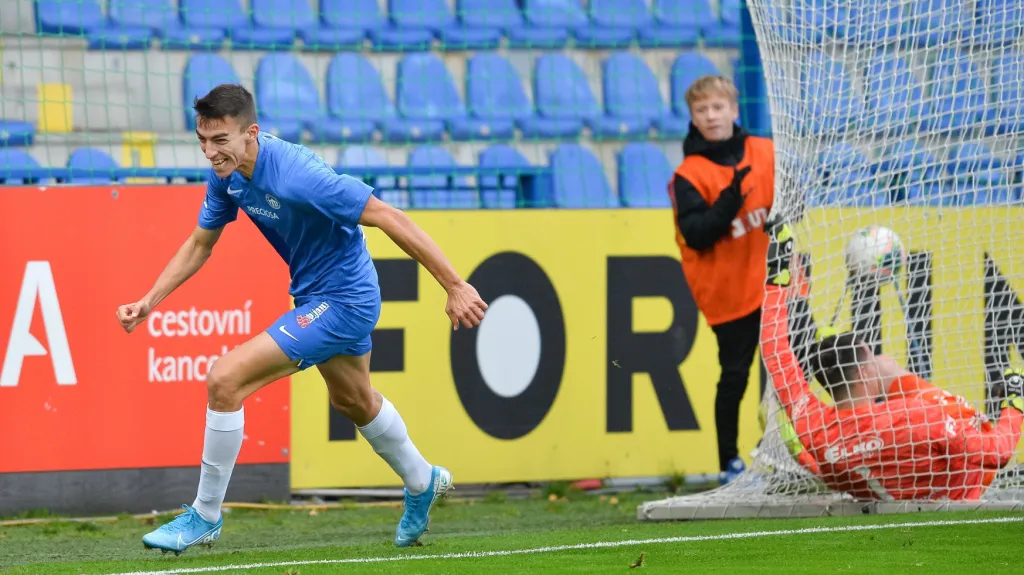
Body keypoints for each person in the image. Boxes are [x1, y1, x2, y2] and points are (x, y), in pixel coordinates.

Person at [115, 84, 488, 553]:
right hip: (316, 294)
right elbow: (199, 244)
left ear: (251, 133)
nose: (210, 153)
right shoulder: (227, 174)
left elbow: (387, 216)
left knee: (224, 380)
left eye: (220, 141)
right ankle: (422, 478)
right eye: (202, 142)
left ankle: (204, 516)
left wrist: (455, 285)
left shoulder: (299, 174)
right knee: (353, 401)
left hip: (345, 299)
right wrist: (150, 300)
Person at [761, 222, 1024, 500]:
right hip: (956, 509)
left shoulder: (812, 425)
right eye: (870, 357)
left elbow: (775, 352)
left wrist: (776, 279)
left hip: (884, 497)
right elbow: (999, 452)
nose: (878, 359)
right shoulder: (918, 417)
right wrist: (1015, 403)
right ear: (862, 373)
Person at [667, 75, 775, 483]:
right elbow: (697, 234)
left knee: (795, 369)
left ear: (734, 109)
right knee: (735, 375)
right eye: (701, 110)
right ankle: (729, 462)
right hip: (728, 292)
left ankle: (799, 450)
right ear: (692, 118)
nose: (711, 116)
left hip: (778, 281)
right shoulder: (689, 175)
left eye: (717, 107)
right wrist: (729, 203)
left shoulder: (766, 152)